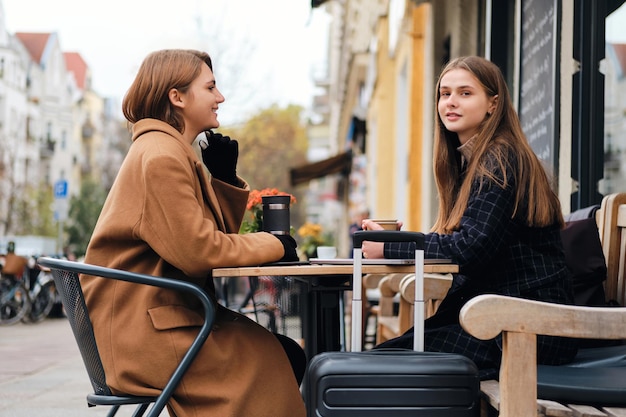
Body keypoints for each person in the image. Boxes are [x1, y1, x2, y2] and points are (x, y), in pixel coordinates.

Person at [80, 49, 306, 417]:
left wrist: (224, 180)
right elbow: (199, 253)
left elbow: (200, 240)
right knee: (279, 357)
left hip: (162, 320)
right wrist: (275, 244)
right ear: (177, 97)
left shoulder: (166, 149)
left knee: (286, 354)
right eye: (211, 87)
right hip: (150, 334)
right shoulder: (161, 156)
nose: (220, 98)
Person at [361, 56, 578, 379]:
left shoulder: (500, 159)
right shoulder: (474, 162)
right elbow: (470, 243)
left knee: (374, 368)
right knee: (373, 361)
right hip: (501, 318)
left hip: (528, 324)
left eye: (465, 93)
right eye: (444, 93)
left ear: (493, 103)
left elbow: (471, 248)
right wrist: (399, 243)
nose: (451, 102)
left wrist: (391, 246)